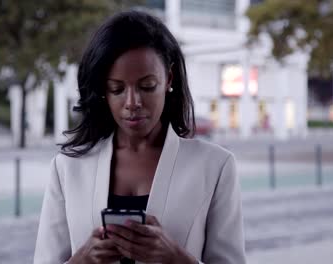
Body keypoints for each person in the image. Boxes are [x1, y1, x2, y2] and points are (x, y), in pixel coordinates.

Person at [34, 10, 245, 264]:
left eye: (147, 86)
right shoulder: (67, 167)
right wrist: (82, 259)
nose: (132, 103)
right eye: (117, 89)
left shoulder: (216, 166)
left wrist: (175, 258)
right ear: (103, 90)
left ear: (169, 78)